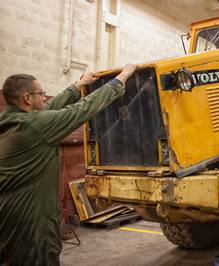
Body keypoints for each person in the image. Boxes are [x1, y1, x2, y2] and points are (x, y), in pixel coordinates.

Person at [0, 64, 137, 265]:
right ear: (27, 98)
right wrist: (120, 79)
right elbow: (81, 110)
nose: (44, 97)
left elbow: (49, 109)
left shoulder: (12, 120)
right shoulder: (35, 126)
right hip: (32, 221)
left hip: (10, 214)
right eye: (41, 93)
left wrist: (77, 86)